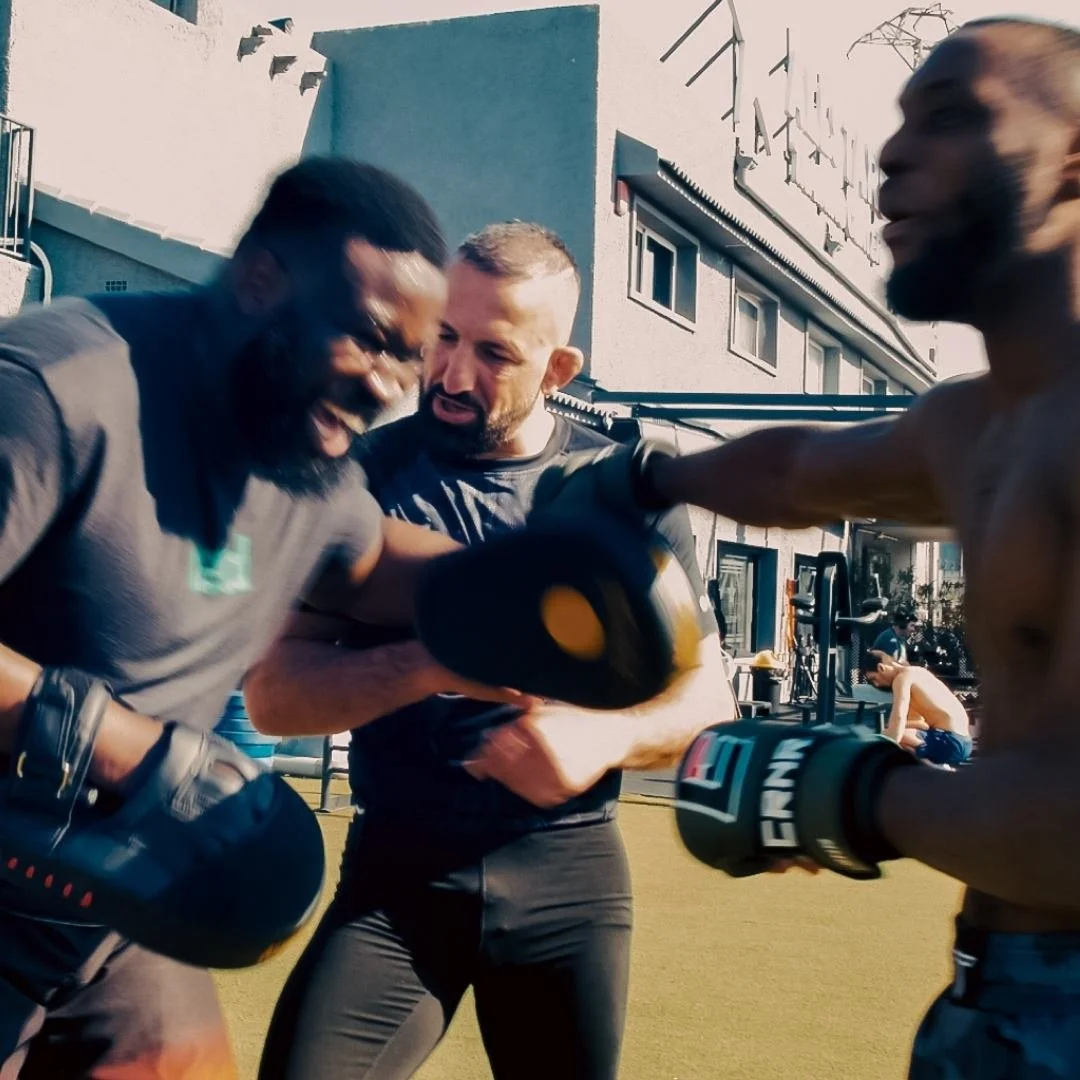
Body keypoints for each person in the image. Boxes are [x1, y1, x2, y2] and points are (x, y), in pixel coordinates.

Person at [531, 16, 1080, 1078]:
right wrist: (645, 476)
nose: (890, 153)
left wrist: (851, 794)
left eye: (954, 118)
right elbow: (800, 471)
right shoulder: (981, 422)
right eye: (900, 121)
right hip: (991, 992)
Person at [0, 156, 497, 1079]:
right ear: (263, 280)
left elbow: (371, 561)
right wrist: (129, 752)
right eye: (373, 338)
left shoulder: (293, 441)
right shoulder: (53, 388)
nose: (392, 385)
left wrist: (525, 590)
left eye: (409, 356)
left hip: (118, 914)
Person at [246, 221, 734, 1080]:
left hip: (569, 874)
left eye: (495, 353)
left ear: (558, 370)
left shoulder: (622, 494)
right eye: (443, 336)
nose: (452, 373)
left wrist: (600, 738)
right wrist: (434, 662)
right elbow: (274, 696)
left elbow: (709, 700)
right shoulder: (354, 480)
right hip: (400, 874)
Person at [864, 653, 972, 767]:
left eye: (874, 679)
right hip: (964, 742)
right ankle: (940, 768)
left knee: (889, 739)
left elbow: (899, 719)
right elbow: (921, 724)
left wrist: (883, 753)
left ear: (881, 668)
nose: (876, 684)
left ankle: (939, 774)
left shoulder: (901, 679)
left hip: (950, 742)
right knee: (897, 736)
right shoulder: (918, 672)